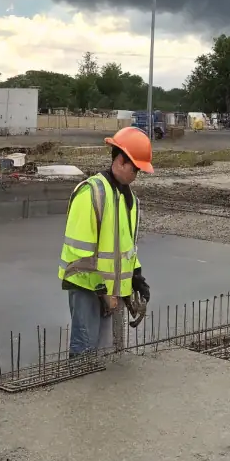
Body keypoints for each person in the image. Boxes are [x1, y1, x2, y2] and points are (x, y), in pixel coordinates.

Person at [59, 126, 153, 354]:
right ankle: (79, 376)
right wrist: (103, 292)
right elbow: (79, 253)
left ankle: (99, 380)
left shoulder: (129, 199)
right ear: (120, 161)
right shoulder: (91, 193)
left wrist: (136, 276)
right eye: (135, 168)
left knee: (107, 352)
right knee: (85, 349)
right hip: (86, 286)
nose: (136, 175)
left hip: (111, 291)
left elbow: (126, 247)